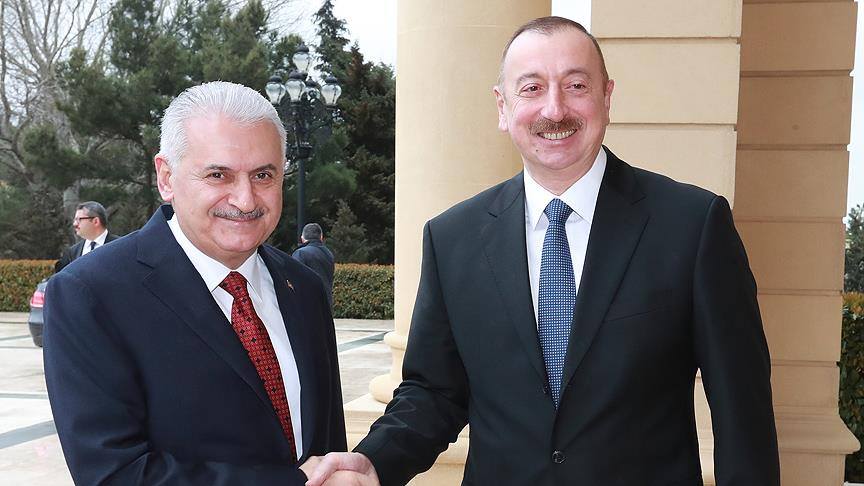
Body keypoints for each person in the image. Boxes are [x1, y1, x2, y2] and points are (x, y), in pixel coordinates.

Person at [306, 16, 780, 486]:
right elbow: (434, 392)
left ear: (607, 97)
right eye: (531, 88)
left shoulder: (692, 225)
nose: (555, 110)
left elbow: (742, 406)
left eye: (576, 85)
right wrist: (375, 461)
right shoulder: (452, 238)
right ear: (503, 106)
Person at [43, 81, 346, 485]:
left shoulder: (303, 287)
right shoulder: (90, 295)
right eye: (218, 175)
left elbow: (328, 448)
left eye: (263, 175)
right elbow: (114, 474)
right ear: (166, 177)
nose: (245, 199)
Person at [54, 201, 119, 272]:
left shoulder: (119, 247)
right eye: (75, 220)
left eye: (79, 219)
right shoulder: (72, 253)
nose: (75, 224)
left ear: (96, 221)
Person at [292, 223, 335, 307]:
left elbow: (295, 280)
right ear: (321, 237)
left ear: (302, 238)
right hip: (326, 304)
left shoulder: (300, 253)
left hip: (306, 304)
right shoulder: (329, 254)